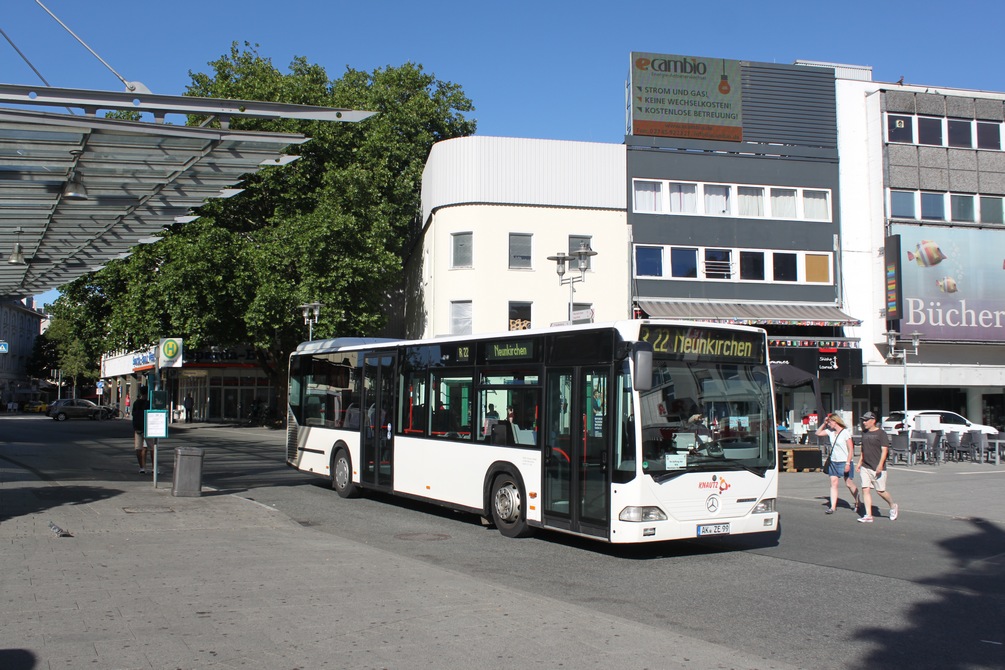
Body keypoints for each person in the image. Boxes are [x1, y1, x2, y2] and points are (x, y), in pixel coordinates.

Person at [856, 411, 899, 523]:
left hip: (877, 467)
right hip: (866, 466)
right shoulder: (864, 433)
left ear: (873, 420)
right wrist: (859, 463)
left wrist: (880, 465)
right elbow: (863, 450)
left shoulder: (881, 434)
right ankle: (868, 515)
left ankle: (892, 505)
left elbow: (884, 450)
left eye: (866, 420)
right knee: (865, 489)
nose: (864, 422)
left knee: (880, 491)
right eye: (863, 420)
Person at [815, 413, 859, 515]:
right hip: (834, 461)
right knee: (833, 483)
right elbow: (818, 433)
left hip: (844, 461)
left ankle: (858, 501)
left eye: (830, 422)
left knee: (848, 483)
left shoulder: (845, 433)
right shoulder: (830, 432)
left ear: (835, 421)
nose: (829, 424)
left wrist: (848, 463)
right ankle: (832, 506)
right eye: (828, 422)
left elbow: (851, 449)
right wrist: (824, 423)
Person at [131, 388, 154, 474]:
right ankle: (154, 468)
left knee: (139, 448)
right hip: (148, 428)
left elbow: (133, 414)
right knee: (152, 448)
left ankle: (142, 467)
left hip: (138, 428)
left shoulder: (136, 403)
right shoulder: (148, 403)